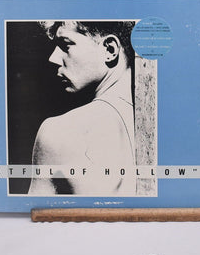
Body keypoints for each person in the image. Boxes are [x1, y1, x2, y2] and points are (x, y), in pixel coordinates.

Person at [28, 20, 136, 196]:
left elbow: (37, 209)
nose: (53, 58)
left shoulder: (59, 131)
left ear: (110, 50)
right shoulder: (163, 126)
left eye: (65, 45)